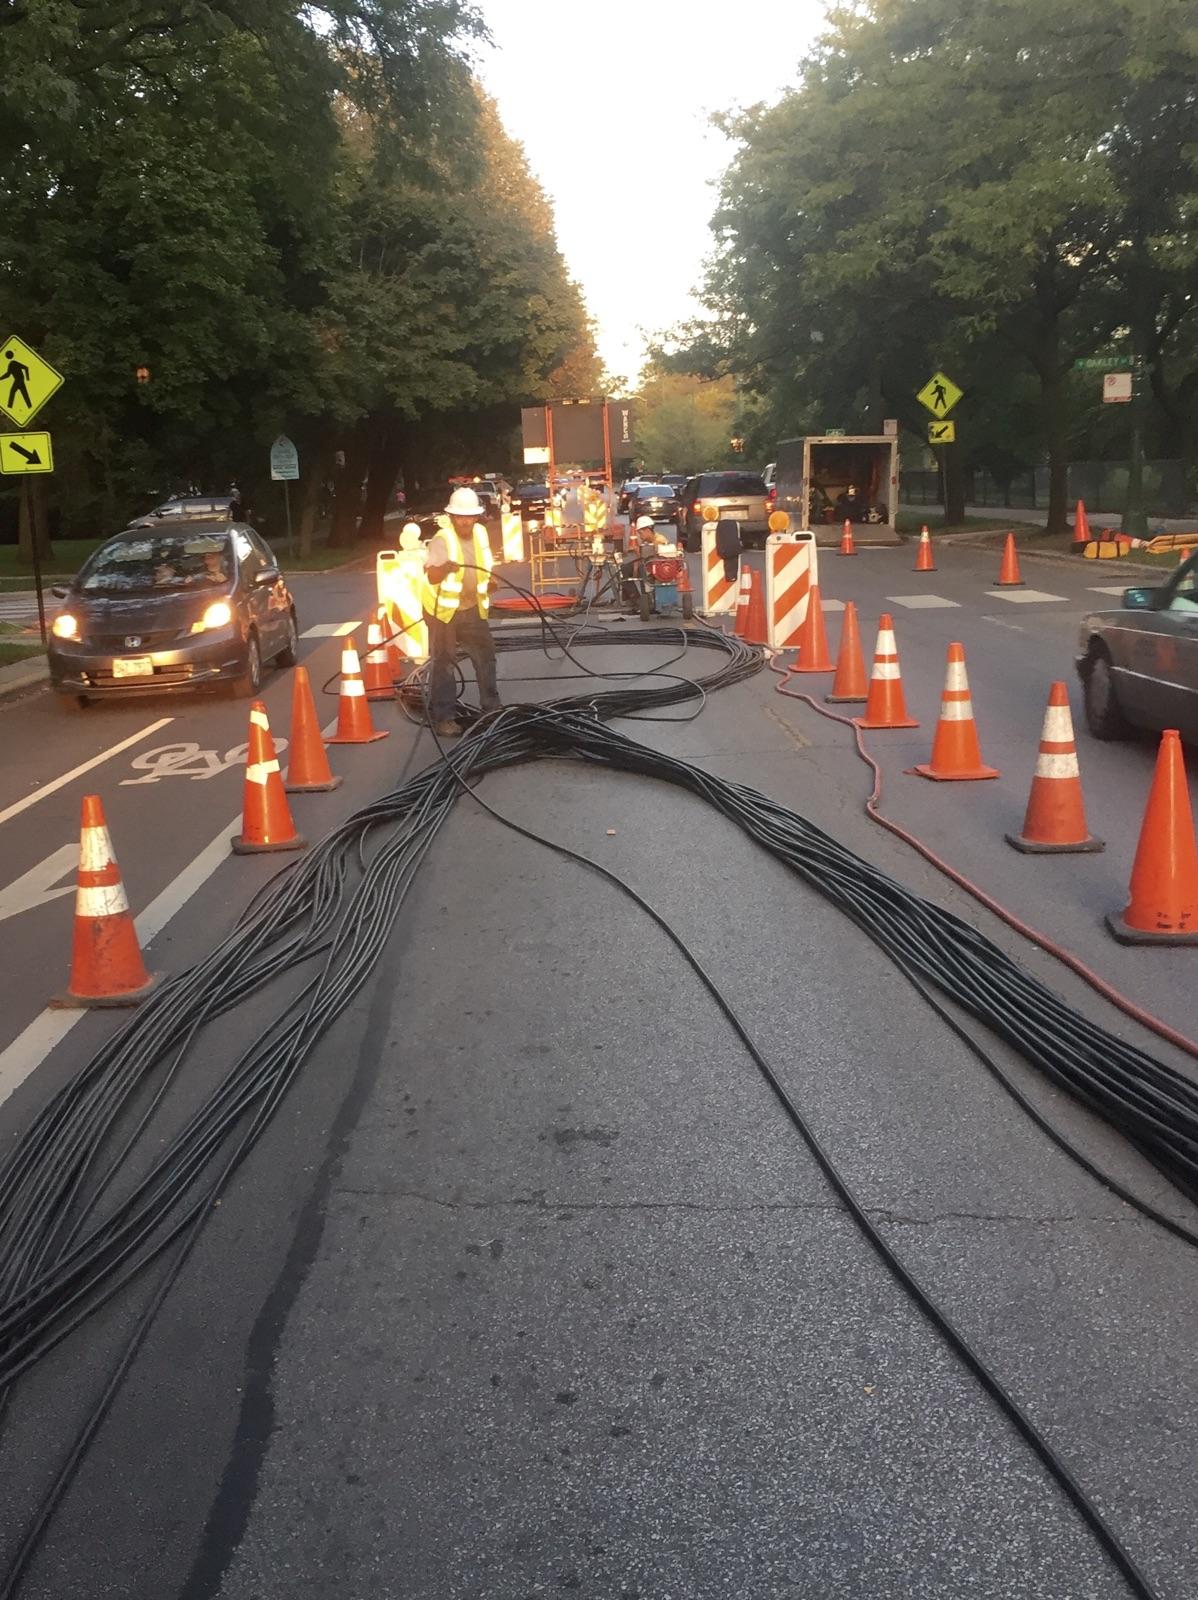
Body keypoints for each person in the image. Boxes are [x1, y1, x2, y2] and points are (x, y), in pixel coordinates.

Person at [420, 486, 499, 735]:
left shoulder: (481, 534)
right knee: (444, 663)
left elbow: (483, 565)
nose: (466, 521)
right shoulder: (442, 540)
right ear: (452, 516)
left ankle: (492, 709)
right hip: (443, 612)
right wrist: (444, 568)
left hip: (472, 606)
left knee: (485, 656)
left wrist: (489, 582)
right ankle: (444, 717)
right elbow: (431, 576)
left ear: (477, 516)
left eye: (470, 516)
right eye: (460, 516)